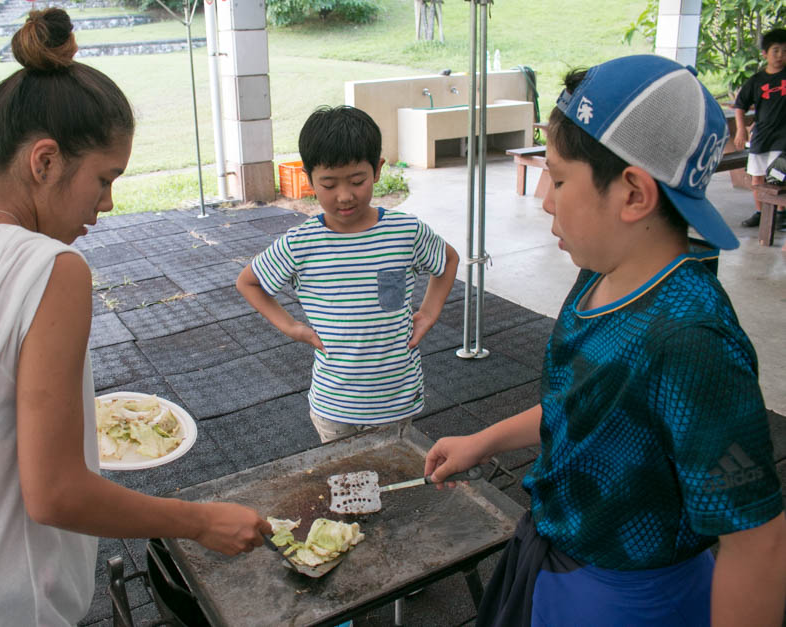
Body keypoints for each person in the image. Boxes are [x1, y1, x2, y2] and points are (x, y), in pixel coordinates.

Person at [0, 9, 270, 626]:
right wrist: (200, 520)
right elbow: (54, 492)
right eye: (104, 179)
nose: (106, 206)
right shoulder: (48, 267)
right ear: (44, 161)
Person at [424, 55, 786, 626]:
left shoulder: (690, 340)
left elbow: (757, 541)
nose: (544, 196)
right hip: (555, 562)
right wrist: (484, 440)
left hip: (634, 600)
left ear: (634, 194)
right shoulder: (598, 274)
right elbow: (583, 404)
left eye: (561, 176)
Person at [236, 105, 459, 443]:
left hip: (396, 401)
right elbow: (249, 282)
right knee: (344, 487)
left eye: (357, 181)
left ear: (378, 169)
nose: (344, 195)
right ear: (310, 179)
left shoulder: (404, 232)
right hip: (334, 404)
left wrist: (428, 313)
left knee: (392, 480)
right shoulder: (302, 243)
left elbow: (448, 260)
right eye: (328, 184)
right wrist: (293, 327)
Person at [734, 27, 786, 229]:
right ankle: (760, 212)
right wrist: (740, 130)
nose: (780, 55)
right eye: (776, 50)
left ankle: (780, 213)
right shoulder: (756, 81)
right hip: (761, 136)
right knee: (757, 176)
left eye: (784, 51)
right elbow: (740, 105)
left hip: (782, 137)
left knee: (777, 176)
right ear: (765, 54)